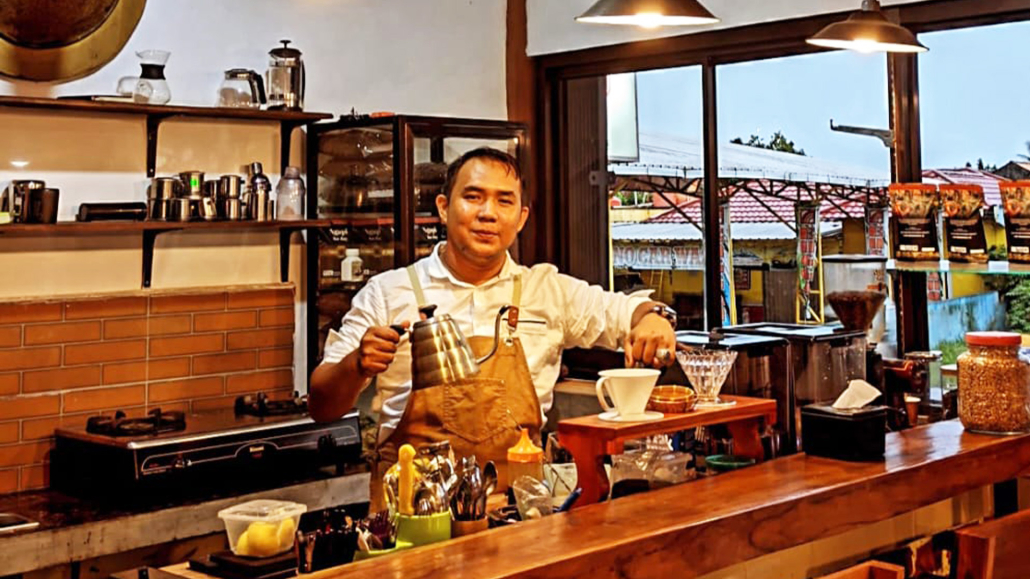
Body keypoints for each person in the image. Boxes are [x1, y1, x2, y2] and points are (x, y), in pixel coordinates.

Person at [310, 147, 677, 508]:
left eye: (504, 201)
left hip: (521, 513)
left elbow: (628, 311)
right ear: (443, 208)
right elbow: (322, 406)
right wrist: (356, 364)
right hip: (413, 516)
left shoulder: (547, 290)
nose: (488, 213)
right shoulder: (388, 292)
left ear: (521, 218)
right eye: (473, 197)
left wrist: (654, 317)